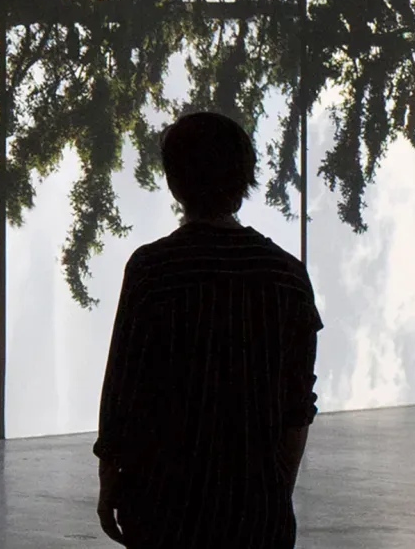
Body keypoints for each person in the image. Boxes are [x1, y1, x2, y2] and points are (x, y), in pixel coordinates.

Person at [94, 112, 323, 548]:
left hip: (166, 510)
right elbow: (298, 405)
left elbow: (124, 387)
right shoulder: (288, 277)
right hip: (257, 514)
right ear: (245, 178)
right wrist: (276, 495)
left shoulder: (153, 270)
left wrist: (110, 476)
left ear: (174, 182)